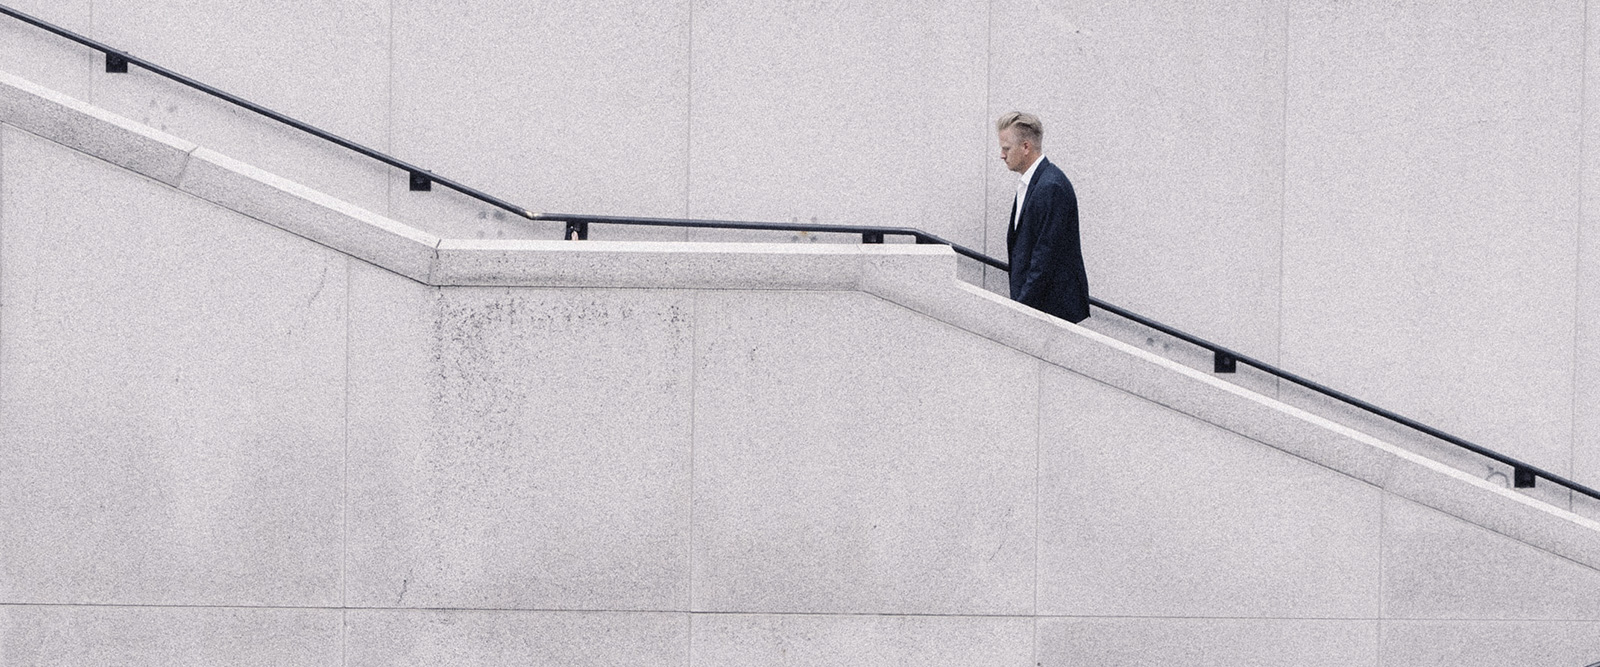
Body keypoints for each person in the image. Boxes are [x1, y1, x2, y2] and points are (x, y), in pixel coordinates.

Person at [997, 111, 1089, 323]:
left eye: (1006, 148)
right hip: (1040, 308)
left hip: (1050, 311)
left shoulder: (1051, 187)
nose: (1002, 155)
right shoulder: (1033, 184)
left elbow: (1045, 257)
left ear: (1026, 147)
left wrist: (1021, 309)